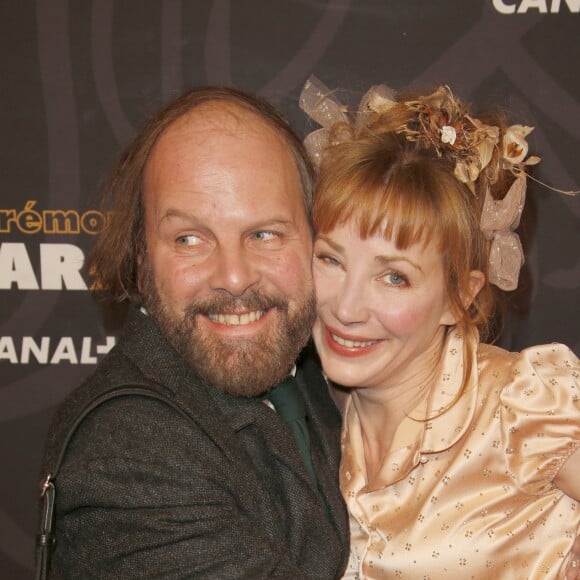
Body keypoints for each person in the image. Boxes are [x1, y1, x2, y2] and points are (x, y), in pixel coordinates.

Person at [39, 87, 349, 578]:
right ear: (141, 262)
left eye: (265, 233)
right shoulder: (127, 455)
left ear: (316, 241)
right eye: (190, 239)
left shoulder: (326, 375)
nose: (233, 276)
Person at [300, 77, 580, 578]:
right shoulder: (309, 420)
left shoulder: (522, 405)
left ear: (460, 296)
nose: (346, 306)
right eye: (331, 259)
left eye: (394, 277)